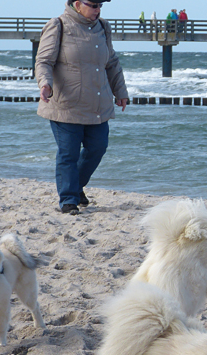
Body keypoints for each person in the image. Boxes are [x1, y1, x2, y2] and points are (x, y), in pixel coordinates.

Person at [36, 0, 129, 215]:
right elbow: (43, 61)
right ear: (77, 4)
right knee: (68, 154)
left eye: (100, 6)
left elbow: (111, 62)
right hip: (66, 105)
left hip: (98, 104)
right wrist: (45, 83)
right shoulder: (58, 25)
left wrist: (120, 92)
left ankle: (76, 187)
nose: (98, 10)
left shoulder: (103, 27)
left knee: (97, 148)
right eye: (94, 5)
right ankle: (69, 200)